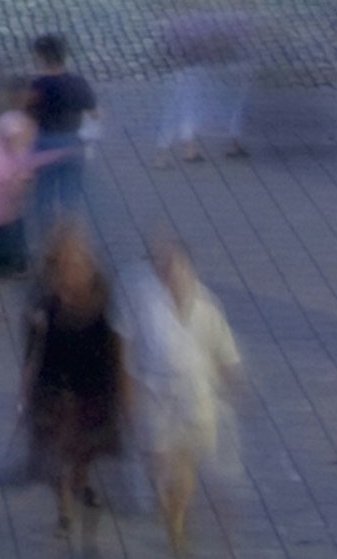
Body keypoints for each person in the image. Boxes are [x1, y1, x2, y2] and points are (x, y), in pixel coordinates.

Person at [124, 237, 241, 556]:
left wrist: (232, 380)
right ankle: (173, 518)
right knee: (163, 470)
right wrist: (129, 394)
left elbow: (223, 350)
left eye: (179, 267)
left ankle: (176, 528)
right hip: (157, 399)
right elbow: (132, 351)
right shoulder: (149, 306)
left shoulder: (207, 306)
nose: (173, 274)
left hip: (195, 399)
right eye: (167, 267)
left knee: (184, 468)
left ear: (190, 270)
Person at [22, 223, 125, 539]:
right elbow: (31, 344)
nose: (74, 263)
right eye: (67, 256)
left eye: (79, 256)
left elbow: (113, 336)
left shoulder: (99, 287)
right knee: (55, 454)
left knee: (85, 449)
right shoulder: (44, 293)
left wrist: (118, 380)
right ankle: (64, 511)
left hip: (90, 383)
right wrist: (25, 386)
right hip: (54, 384)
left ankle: (81, 484)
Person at [24, 34, 97, 237]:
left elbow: (27, 116)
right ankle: (70, 237)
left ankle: (48, 237)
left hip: (45, 143)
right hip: (73, 143)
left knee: (44, 194)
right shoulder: (78, 83)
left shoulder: (37, 86)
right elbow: (94, 114)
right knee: (71, 195)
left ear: (40, 57)